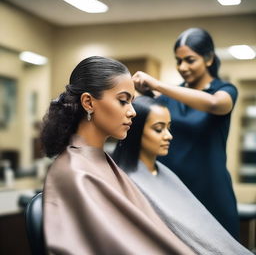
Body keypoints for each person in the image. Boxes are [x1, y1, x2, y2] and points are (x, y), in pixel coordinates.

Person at [40, 56, 196, 254]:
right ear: (88, 102)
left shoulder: (99, 160)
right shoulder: (76, 172)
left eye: (131, 101)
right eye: (123, 101)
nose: (132, 112)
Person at [132, 27, 240, 239]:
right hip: (172, 191)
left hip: (211, 191)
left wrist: (157, 84)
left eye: (190, 60)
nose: (183, 67)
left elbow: (213, 104)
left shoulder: (224, 91)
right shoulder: (167, 97)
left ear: (209, 59)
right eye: (178, 61)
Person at [112, 95, 252, 255]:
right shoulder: (127, 181)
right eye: (159, 129)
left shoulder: (165, 173)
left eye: (168, 128)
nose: (168, 136)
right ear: (135, 131)